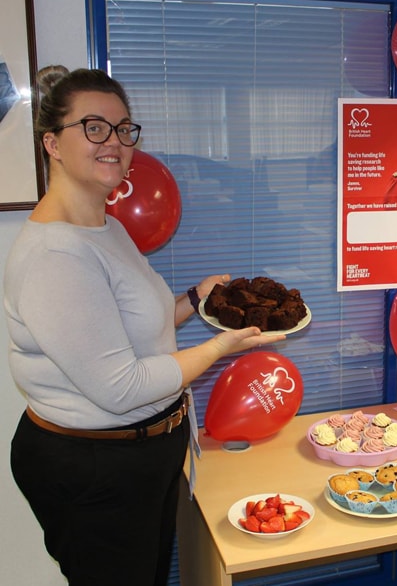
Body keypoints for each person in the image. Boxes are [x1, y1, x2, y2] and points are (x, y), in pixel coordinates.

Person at [4, 66, 285, 586]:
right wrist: (223, 346)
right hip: (94, 466)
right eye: (93, 127)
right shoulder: (55, 253)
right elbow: (120, 385)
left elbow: (134, 325)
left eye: (123, 128)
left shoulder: (105, 226)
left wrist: (195, 299)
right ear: (52, 144)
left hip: (144, 452)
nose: (114, 141)